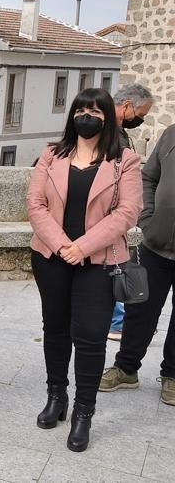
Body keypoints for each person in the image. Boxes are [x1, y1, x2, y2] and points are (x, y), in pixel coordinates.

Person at [28, 88, 141, 452]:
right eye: (80, 110)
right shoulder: (51, 154)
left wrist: (82, 247)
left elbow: (127, 213)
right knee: (56, 330)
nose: (86, 116)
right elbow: (35, 203)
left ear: (108, 116)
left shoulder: (125, 160)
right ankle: (56, 396)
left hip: (101, 262)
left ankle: (83, 412)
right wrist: (63, 245)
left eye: (94, 111)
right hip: (51, 257)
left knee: (91, 338)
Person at [99, 120, 175, 408]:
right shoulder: (171, 134)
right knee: (138, 308)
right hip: (155, 245)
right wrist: (148, 220)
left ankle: (172, 375)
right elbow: (149, 178)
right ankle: (126, 368)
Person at [107, 82, 153, 340]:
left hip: (119, 211)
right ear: (126, 106)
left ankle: (119, 319)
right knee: (113, 264)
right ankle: (116, 322)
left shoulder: (116, 130)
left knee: (117, 264)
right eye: (142, 114)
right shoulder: (107, 131)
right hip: (111, 212)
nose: (142, 120)